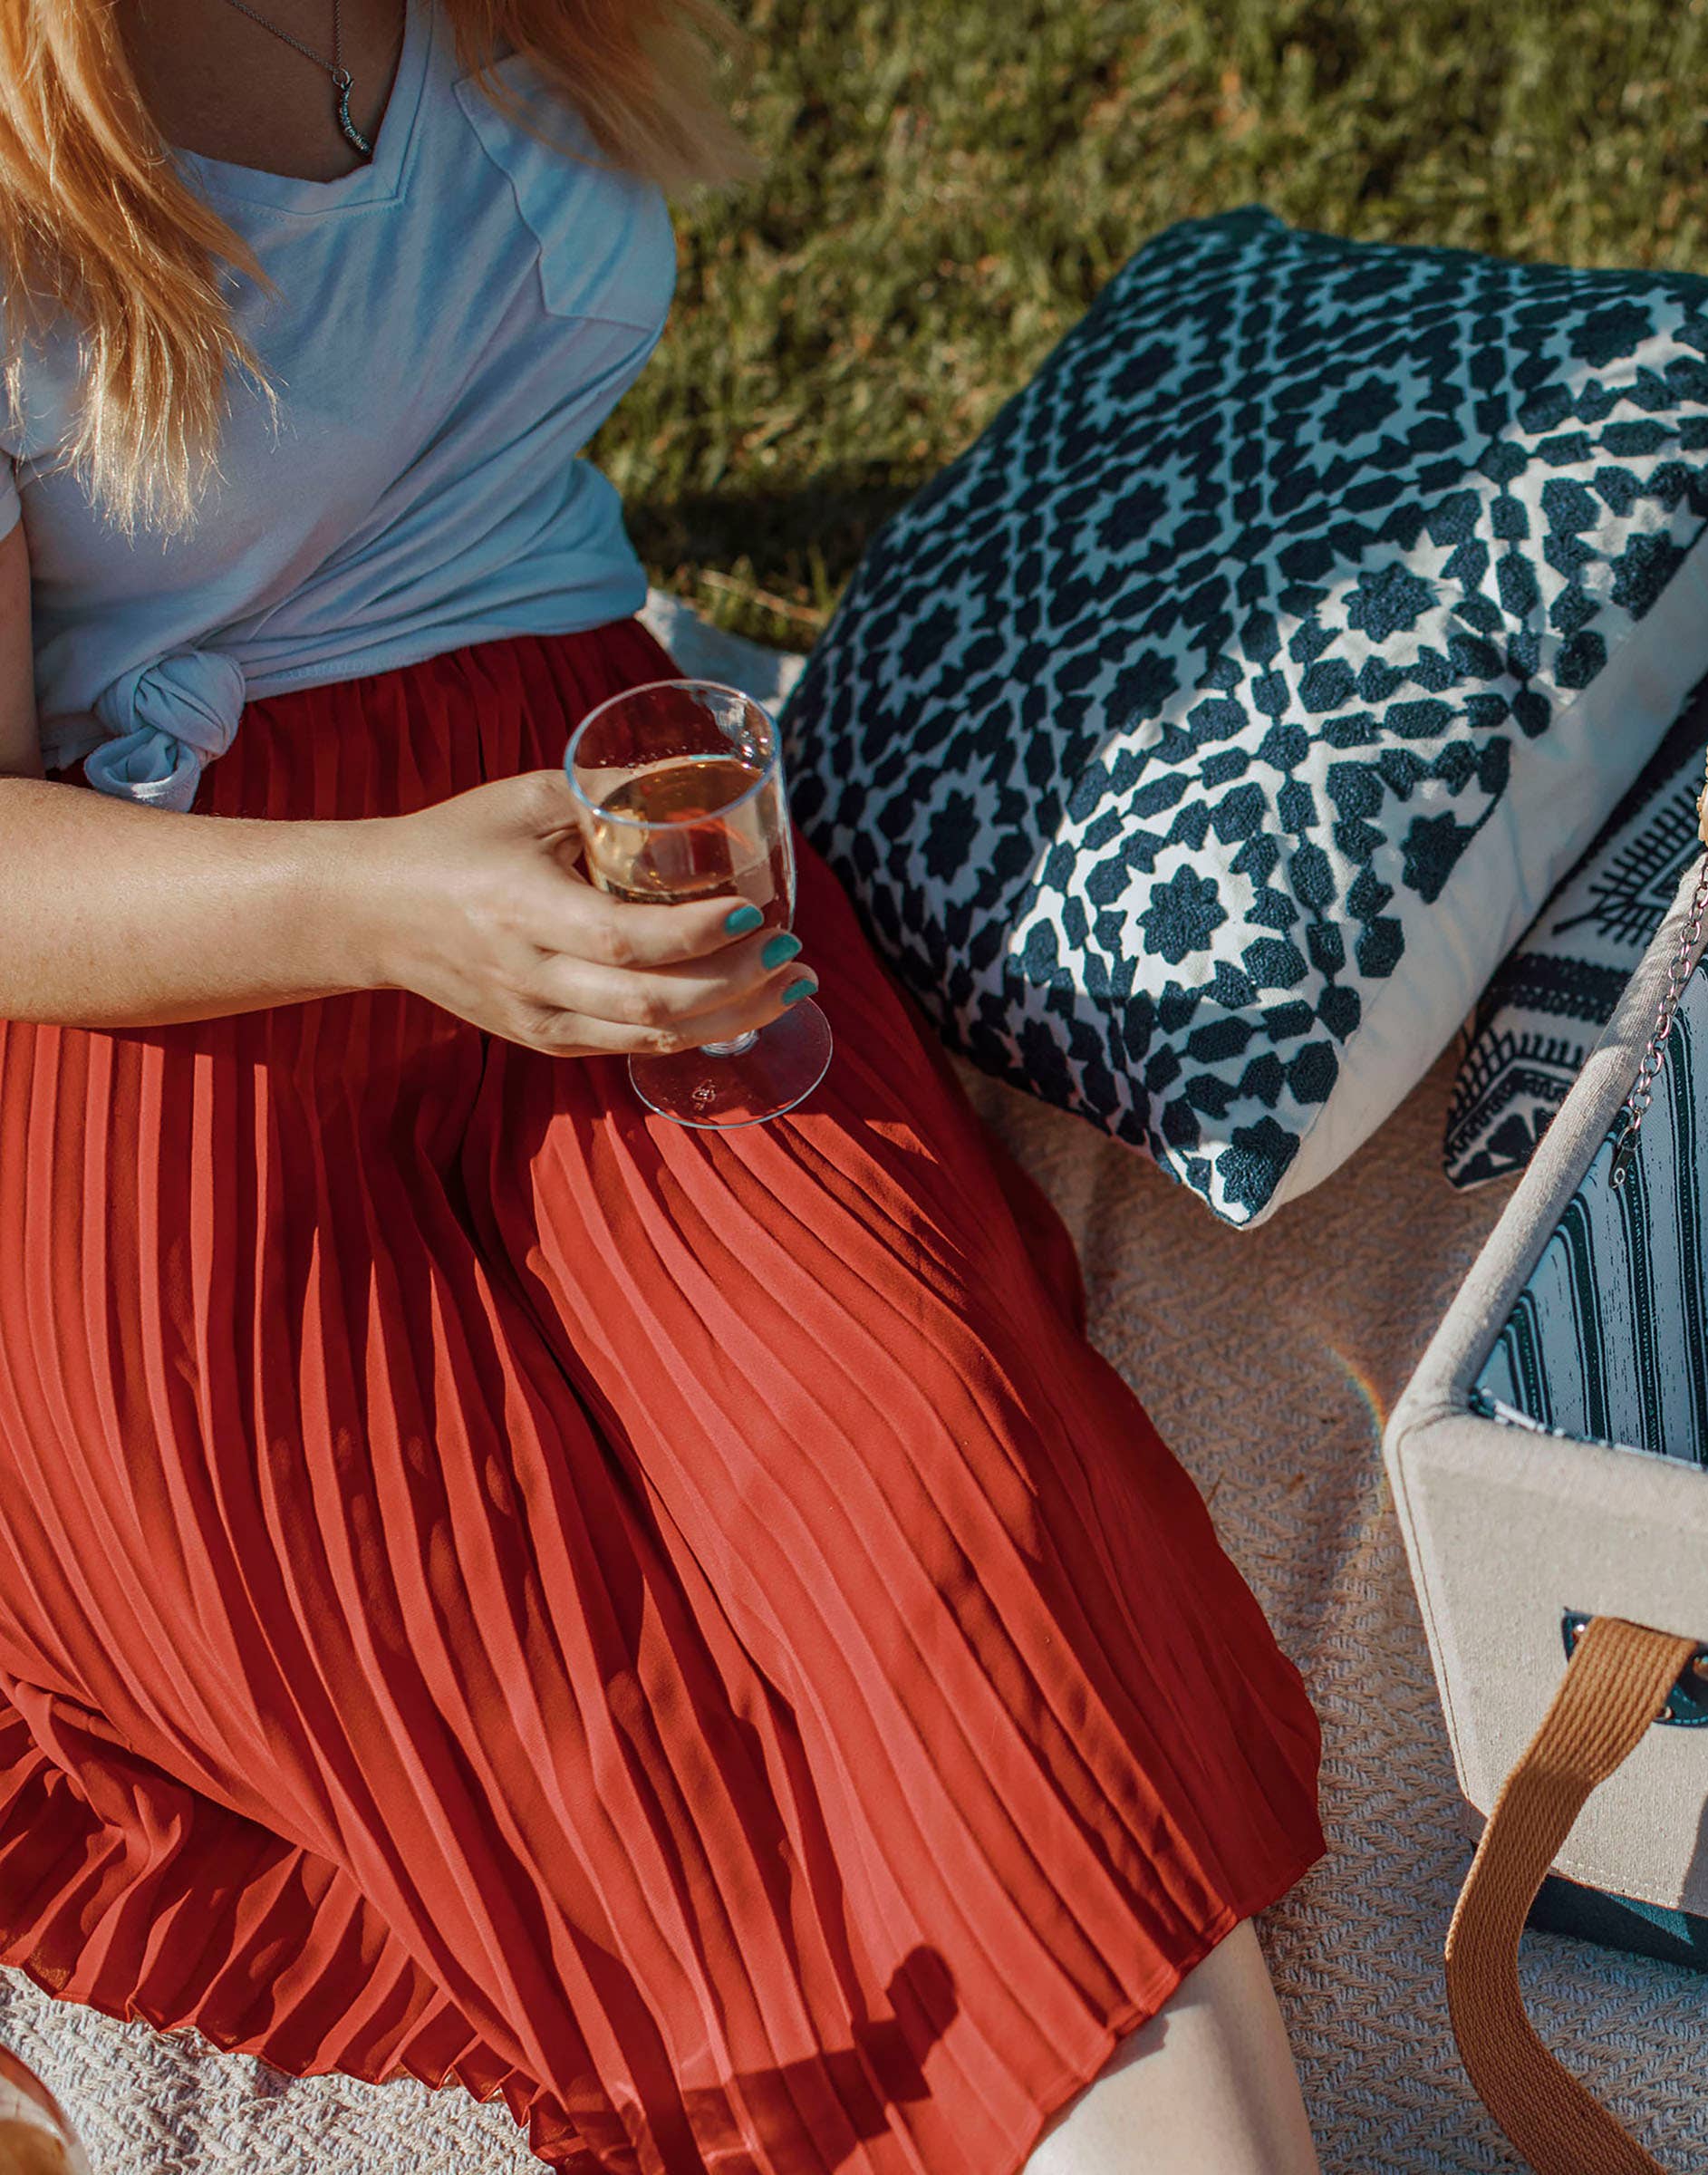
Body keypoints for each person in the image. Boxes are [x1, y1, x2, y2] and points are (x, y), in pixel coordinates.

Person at [0, 5, 1327, 2170]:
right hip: (203, 955)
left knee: (942, 1503)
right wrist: (386, 906)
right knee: (514, 1673)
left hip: (616, 835)